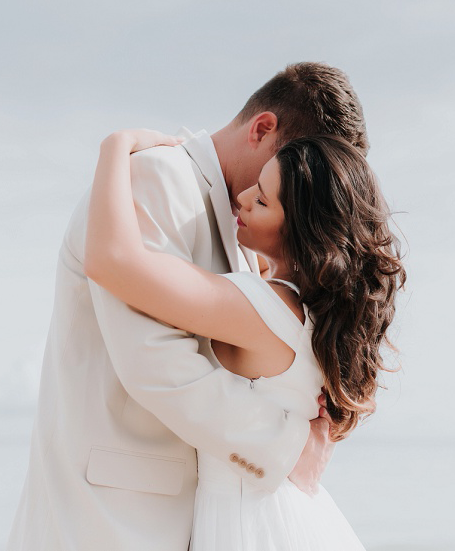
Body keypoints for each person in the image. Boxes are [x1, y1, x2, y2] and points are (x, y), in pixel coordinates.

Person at [7, 63, 370, 551]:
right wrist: (285, 445)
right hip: (113, 519)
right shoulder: (156, 178)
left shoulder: (254, 239)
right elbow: (156, 362)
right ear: (262, 129)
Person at [84, 130, 404, 550]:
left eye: (264, 200)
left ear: (301, 232)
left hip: (251, 525)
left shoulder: (261, 307)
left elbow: (114, 262)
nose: (244, 197)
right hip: (287, 514)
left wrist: (116, 147)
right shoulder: (310, 314)